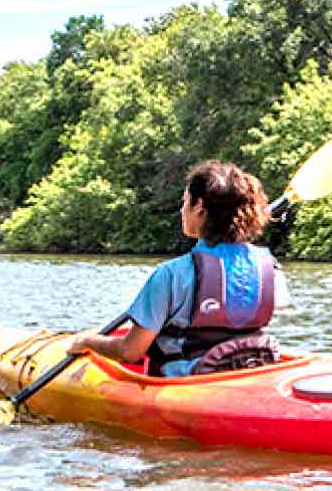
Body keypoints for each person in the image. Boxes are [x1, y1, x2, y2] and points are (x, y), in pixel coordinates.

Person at [69, 160, 290, 377]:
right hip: (250, 370)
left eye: (185, 202)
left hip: (189, 382)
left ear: (199, 206)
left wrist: (88, 341)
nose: (182, 210)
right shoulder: (270, 267)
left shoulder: (171, 274)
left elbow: (130, 351)